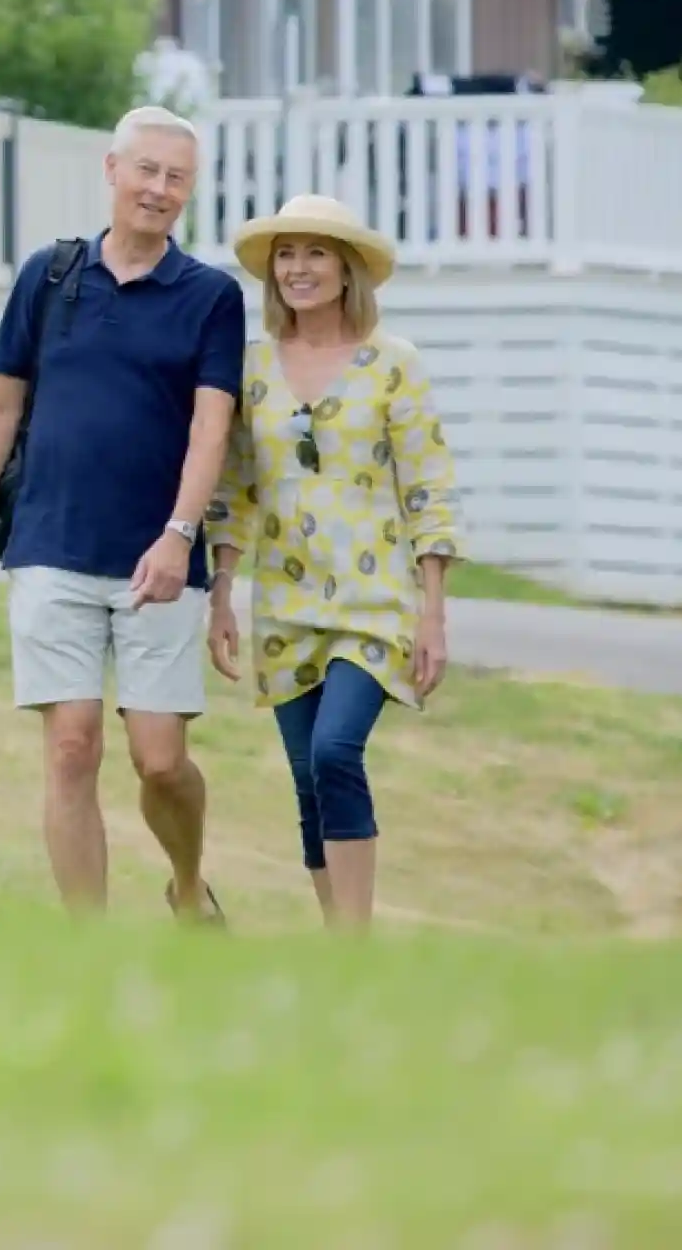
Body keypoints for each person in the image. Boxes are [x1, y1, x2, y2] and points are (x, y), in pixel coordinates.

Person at [0, 106, 244, 920]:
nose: (158, 189)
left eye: (176, 177)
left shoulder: (212, 296)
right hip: (49, 546)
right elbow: (0, 407)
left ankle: (186, 884)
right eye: (146, 170)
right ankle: (88, 949)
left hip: (159, 561)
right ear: (112, 171)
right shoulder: (49, 276)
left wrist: (181, 537)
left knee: (160, 761)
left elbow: (213, 424)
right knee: (71, 747)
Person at [207, 193, 463, 931]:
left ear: (348, 268)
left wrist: (434, 615)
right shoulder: (252, 369)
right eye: (286, 255)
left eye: (315, 253)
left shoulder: (394, 365)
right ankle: (338, 949)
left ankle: (356, 942)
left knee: (335, 751)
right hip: (286, 607)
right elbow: (235, 489)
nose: (298, 268)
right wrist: (222, 593)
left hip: (376, 603)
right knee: (307, 781)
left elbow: (428, 487)